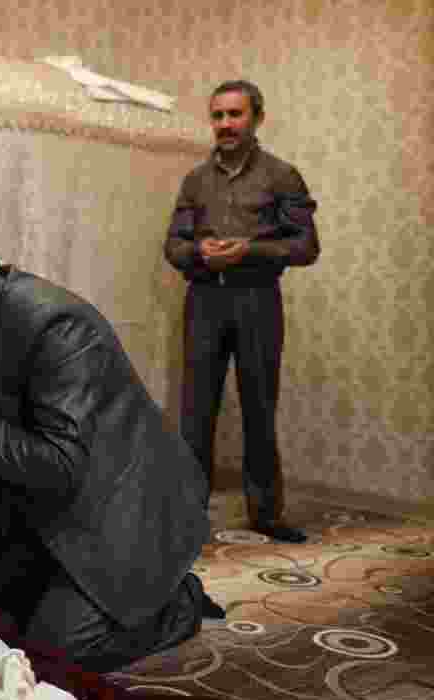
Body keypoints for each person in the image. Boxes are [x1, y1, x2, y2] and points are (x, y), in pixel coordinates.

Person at [0, 213, 220, 673]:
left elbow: (61, 464)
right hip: (48, 513)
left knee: (54, 655)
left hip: (127, 514)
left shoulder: (56, 326)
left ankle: (180, 600)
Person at [164, 80, 320, 544]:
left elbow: (306, 246)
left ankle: (267, 513)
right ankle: (189, 513)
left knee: (258, 405)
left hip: (257, 300)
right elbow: (173, 245)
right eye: (218, 116)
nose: (226, 125)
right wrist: (199, 251)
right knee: (195, 411)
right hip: (205, 301)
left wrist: (247, 250)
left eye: (235, 115)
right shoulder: (195, 180)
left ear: (257, 118)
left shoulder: (282, 176)